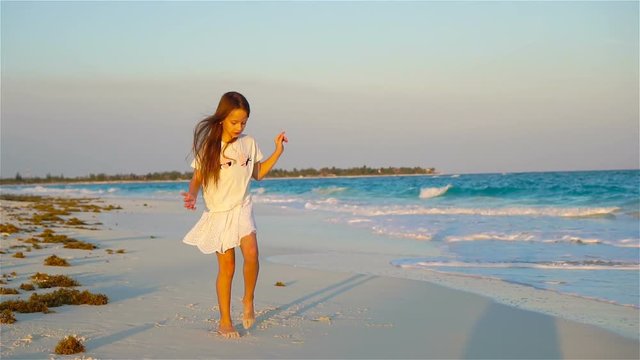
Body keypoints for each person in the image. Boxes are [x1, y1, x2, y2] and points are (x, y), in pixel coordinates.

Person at [181, 91, 287, 338]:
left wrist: (278, 151)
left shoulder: (249, 143)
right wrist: (192, 194)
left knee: (252, 252)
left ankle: (248, 299)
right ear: (221, 119)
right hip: (219, 212)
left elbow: (258, 174)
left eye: (244, 122)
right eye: (234, 122)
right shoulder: (210, 148)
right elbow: (197, 178)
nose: (239, 127)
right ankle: (225, 320)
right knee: (227, 267)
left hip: (242, 206)